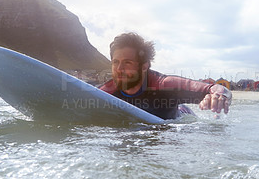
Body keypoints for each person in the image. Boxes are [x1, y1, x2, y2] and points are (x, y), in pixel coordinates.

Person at [99, 32, 232, 119]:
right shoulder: (106, 93)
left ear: (144, 66)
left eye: (127, 63)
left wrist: (220, 95)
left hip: (181, 116)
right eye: (115, 62)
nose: (119, 69)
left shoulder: (164, 85)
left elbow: (214, 88)